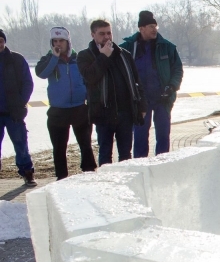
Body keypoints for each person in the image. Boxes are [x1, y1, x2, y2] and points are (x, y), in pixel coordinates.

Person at [77, 19, 146, 166]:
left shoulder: (123, 54)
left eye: (109, 33)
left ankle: (125, 184)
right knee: (105, 153)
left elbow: (137, 82)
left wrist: (142, 106)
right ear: (93, 35)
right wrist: (103, 56)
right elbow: (90, 77)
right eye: (102, 34)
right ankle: (106, 185)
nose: (107, 37)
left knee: (126, 155)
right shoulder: (85, 56)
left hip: (125, 113)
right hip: (103, 114)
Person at [35, 27, 97, 180]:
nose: (58, 44)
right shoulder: (48, 59)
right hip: (58, 111)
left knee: (85, 145)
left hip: (79, 108)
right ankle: (61, 177)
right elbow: (41, 74)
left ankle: (89, 173)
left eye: (61, 41)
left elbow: (90, 78)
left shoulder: (79, 58)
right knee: (59, 148)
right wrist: (54, 58)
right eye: (55, 41)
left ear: (68, 42)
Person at [120, 11, 183, 158]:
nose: (154, 29)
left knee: (163, 135)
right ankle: (140, 168)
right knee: (140, 137)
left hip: (163, 99)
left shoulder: (167, 47)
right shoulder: (128, 47)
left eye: (155, 25)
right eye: (150, 26)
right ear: (141, 29)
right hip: (141, 101)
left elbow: (177, 70)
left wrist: (172, 87)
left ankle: (162, 166)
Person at [0, 29, 36, 186]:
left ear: (4, 41)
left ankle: (27, 172)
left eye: (0, 40)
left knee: (21, 144)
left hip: (13, 112)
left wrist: (21, 102)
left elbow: (28, 83)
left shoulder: (16, 59)